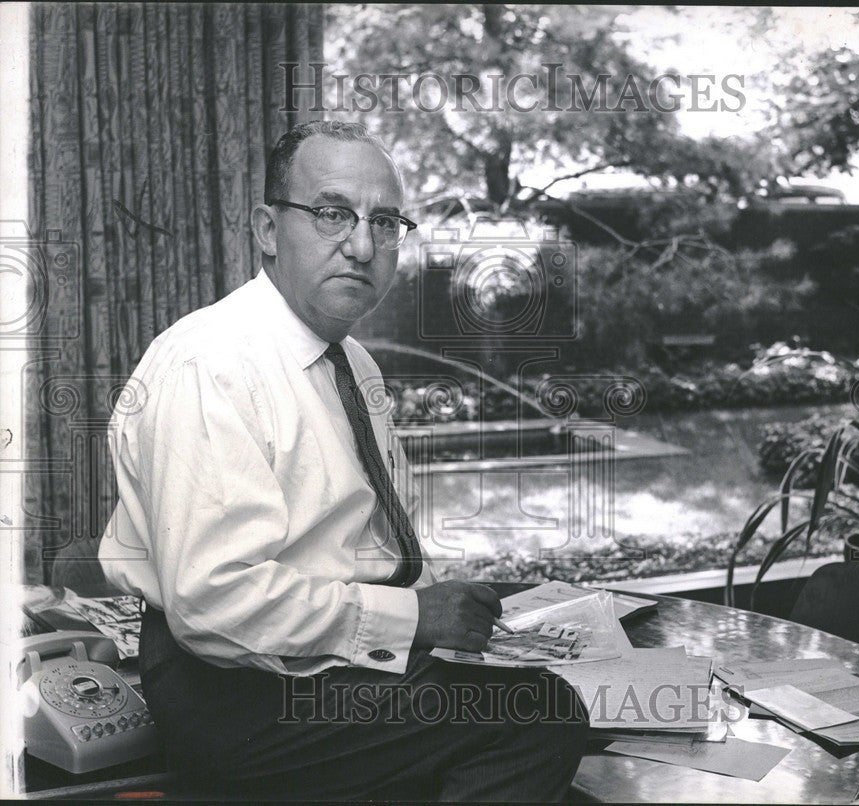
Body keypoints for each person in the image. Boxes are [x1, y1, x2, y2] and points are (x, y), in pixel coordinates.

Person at [98, 121, 589, 801]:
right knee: (540, 716)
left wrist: (441, 613)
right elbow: (212, 604)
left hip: (320, 662)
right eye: (332, 215)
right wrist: (414, 621)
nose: (361, 245)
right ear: (269, 230)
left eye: (384, 222)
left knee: (550, 697)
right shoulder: (210, 364)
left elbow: (357, 546)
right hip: (237, 693)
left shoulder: (353, 363)